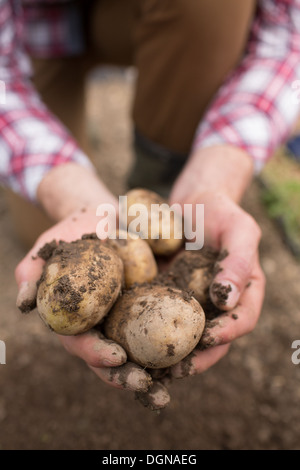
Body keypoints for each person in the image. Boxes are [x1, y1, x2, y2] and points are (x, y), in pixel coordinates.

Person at [1, 0, 299, 409]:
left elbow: (288, 39)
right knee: (33, 229)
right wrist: (67, 190)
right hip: (34, 35)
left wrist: (219, 175)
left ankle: (168, 175)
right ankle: (115, 198)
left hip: (156, 14)